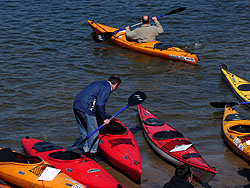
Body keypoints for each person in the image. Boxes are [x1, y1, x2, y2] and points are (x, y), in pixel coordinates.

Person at [67, 76, 121, 156]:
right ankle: (92, 153)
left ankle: (84, 149)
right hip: (87, 108)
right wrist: (104, 119)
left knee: (85, 132)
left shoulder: (98, 83)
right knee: (94, 132)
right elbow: (99, 104)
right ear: (116, 85)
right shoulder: (107, 88)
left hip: (76, 106)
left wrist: (100, 119)